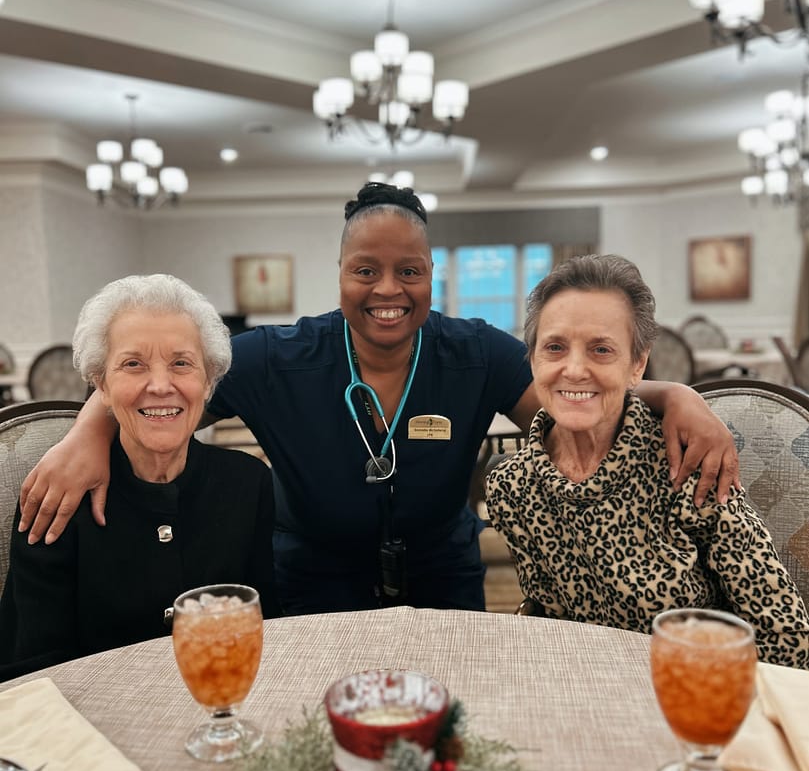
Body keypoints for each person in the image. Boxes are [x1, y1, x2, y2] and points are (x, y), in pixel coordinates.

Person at [18, 184, 739, 616]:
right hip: (310, 588)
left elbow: (576, 398)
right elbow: (161, 393)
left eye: (409, 271)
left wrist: (671, 391)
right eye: (366, 269)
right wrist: (88, 429)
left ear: (432, 275)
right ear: (339, 274)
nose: (387, 290)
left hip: (446, 583)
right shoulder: (276, 355)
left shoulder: (476, 350)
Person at [485, 254, 809, 667]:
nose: (575, 369)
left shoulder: (686, 463)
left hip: (697, 691)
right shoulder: (512, 487)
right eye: (555, 347)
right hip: (581, 689)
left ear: (637, 364)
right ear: (532, 359)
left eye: (601, 349)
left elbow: (785, 639)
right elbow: (546, 615)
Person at [0, 274, 278, 680]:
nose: (161, 386)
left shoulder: (249, 484)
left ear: (208, 381)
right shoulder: (56, 496)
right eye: (133, 364)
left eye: (182, 363)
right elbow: (31, 672)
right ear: (102, 385)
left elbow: (265, 628)